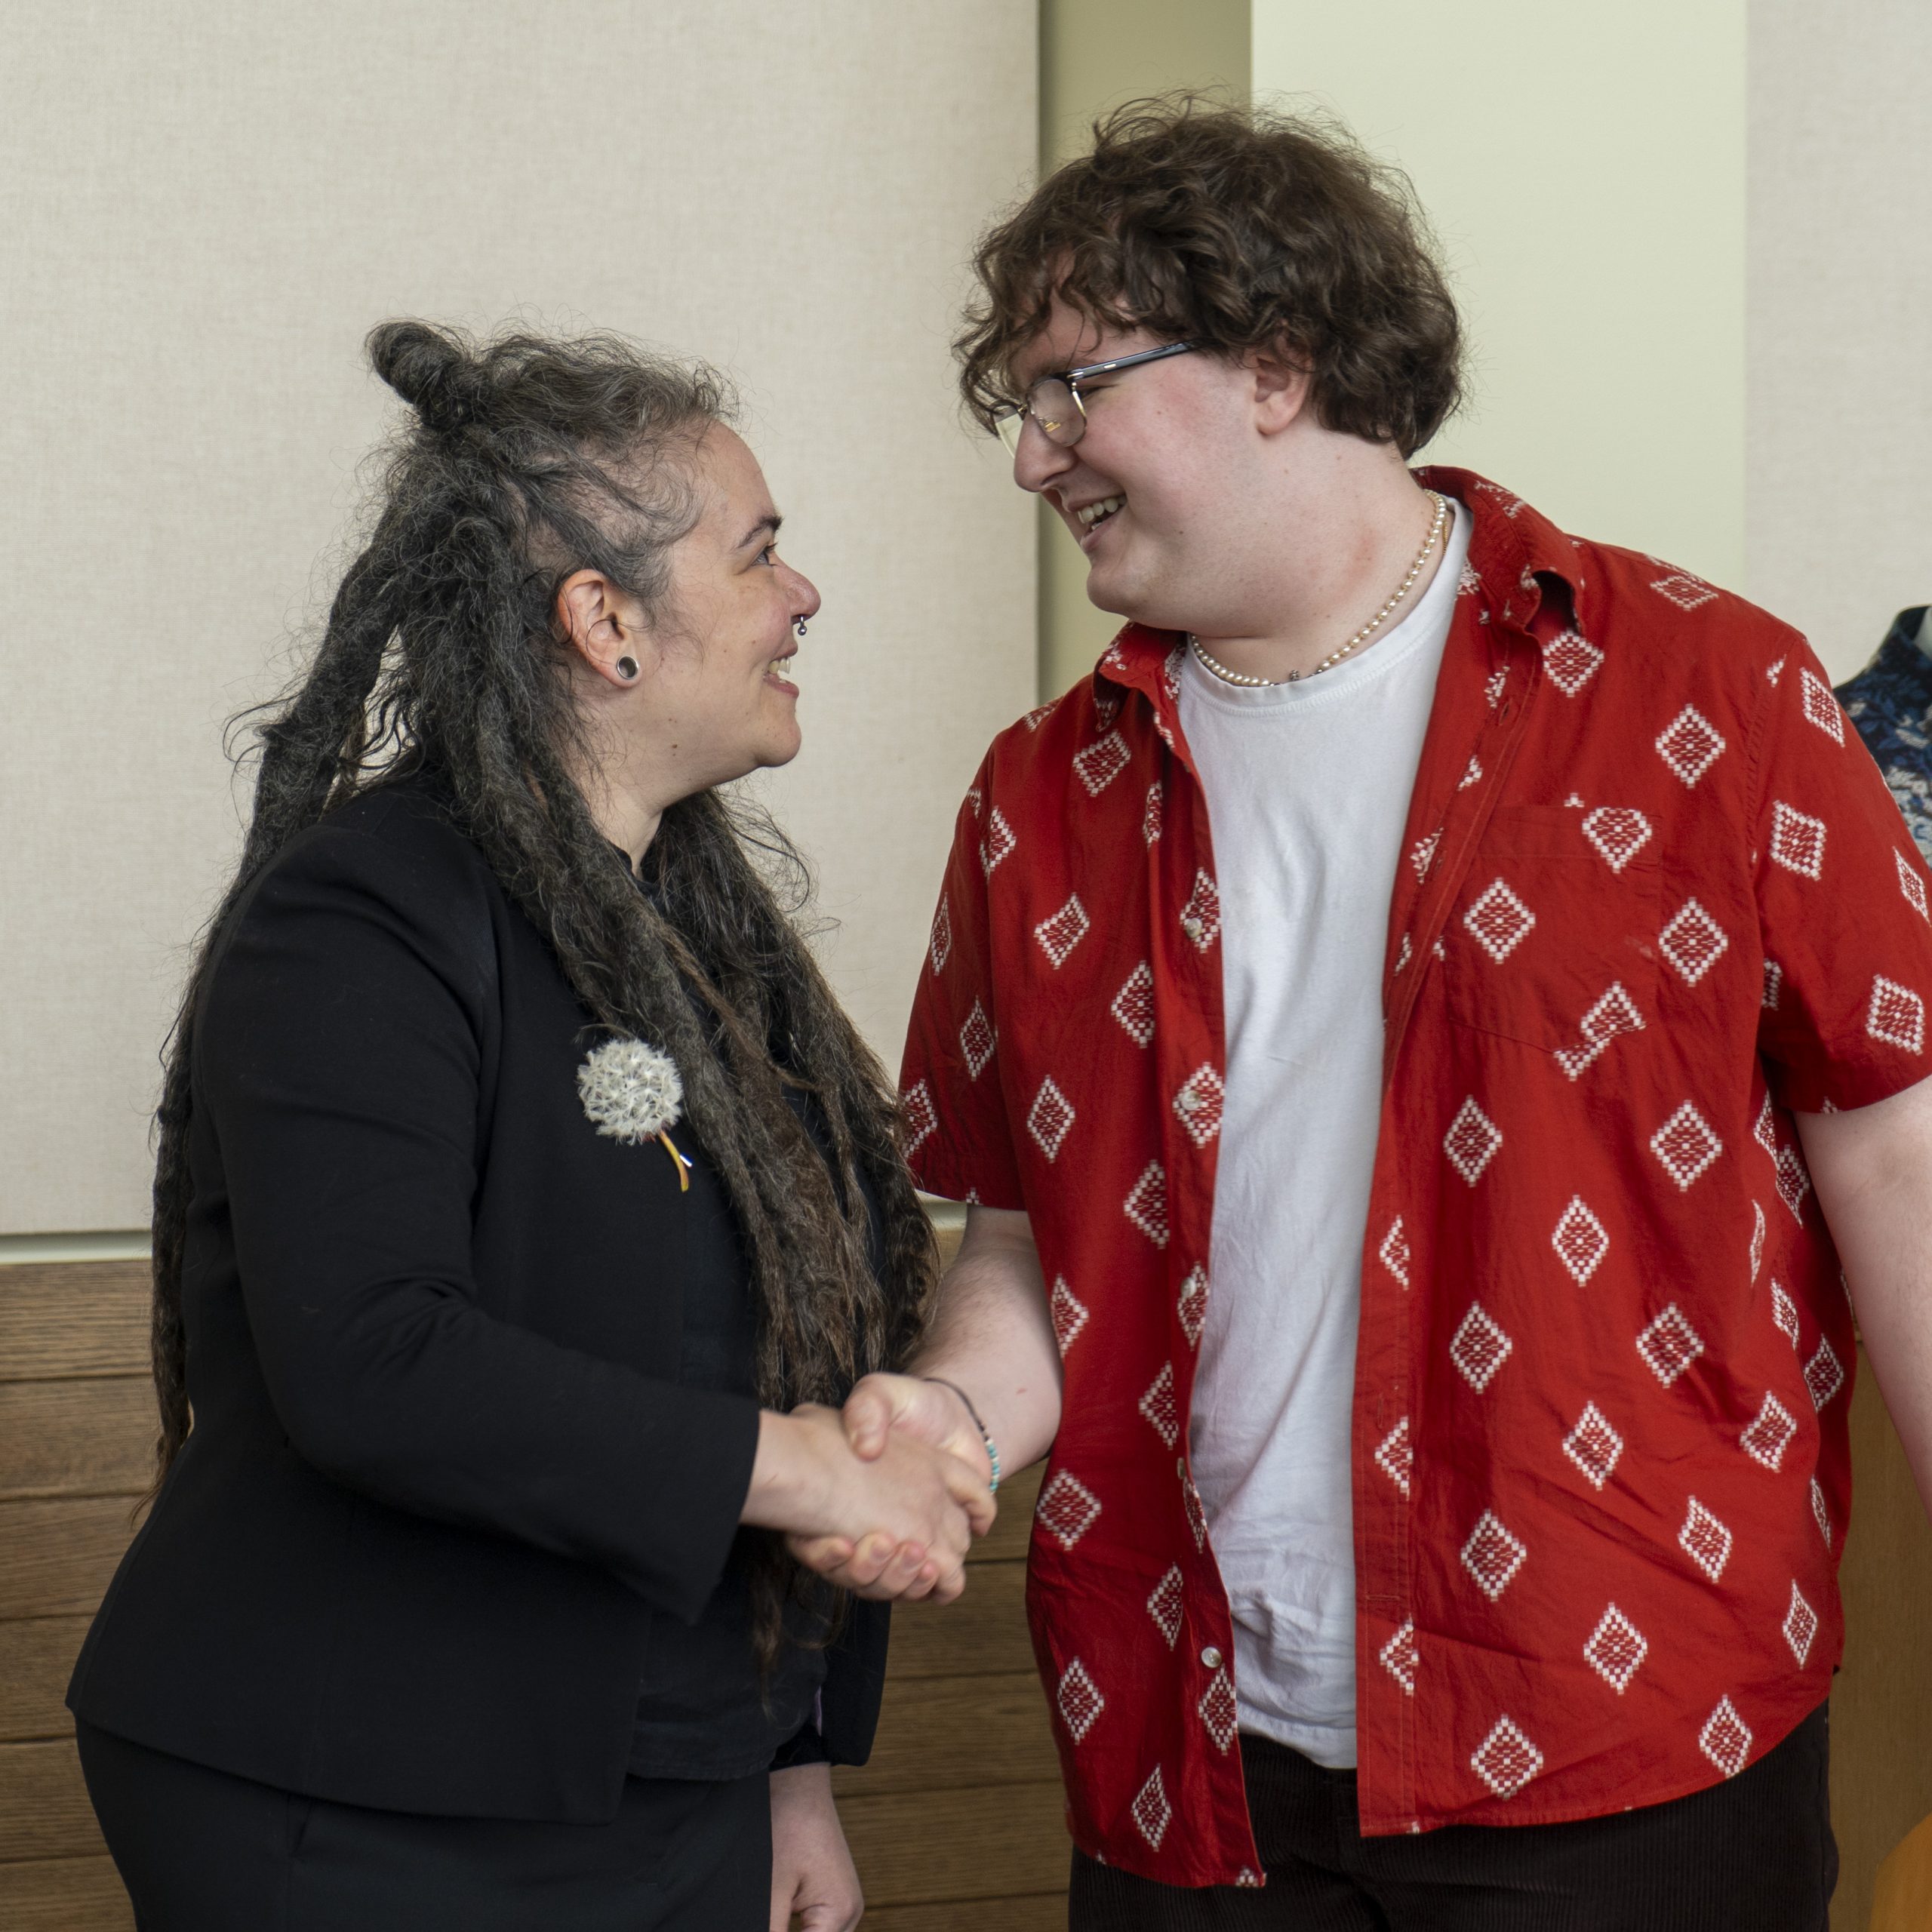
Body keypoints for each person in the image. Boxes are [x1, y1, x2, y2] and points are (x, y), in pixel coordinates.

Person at [792, 100, 1932, 1929]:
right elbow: (1018, 1234)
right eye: (1019, 400)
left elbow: (1896, 1158)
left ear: (1274, 362)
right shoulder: (1035, 796)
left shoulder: (1708, 691)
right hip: (1183, 1762)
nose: (1030, 455)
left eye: (1074, 386)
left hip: (1622, 1737)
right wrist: (942, 1415)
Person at [66, 321, 994, 1932]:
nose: (803, 596)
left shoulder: (704, 937)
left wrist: (786, 1771)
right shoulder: (360, 917)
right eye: (759, 552)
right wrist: (801, 1473)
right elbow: (375, 1358)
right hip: (352, 1794)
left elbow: (774, 1337)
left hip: (674, 1783)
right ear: (604, 622)